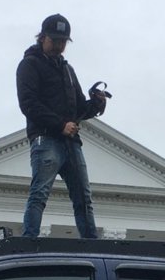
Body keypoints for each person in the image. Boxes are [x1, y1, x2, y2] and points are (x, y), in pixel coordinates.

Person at [16, 14, 109, 238]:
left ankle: (91, 245)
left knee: (84, 198)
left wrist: (95, 104)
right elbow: (28, 104)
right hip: (46, 138)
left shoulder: (68, 70)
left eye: (63, 42)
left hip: (71, 142)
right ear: (42, 38)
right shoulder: (29, 65)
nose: (59, 46)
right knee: (40, 193)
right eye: (55, 41)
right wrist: (60, 125)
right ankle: (30, 242)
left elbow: (78, 108)